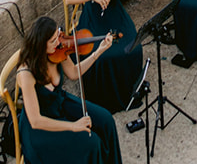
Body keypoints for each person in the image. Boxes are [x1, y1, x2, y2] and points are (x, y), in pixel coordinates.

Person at [15, 14, 122, 164]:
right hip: (41, 128)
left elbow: (73, 73)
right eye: (53, 41)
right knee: (91, 143)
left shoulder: (57, 51)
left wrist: (98, 52)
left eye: (58, 35)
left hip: (60, 103)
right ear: (40, 45)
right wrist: (73, 126)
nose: (58, 42)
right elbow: (36, 121)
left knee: (106, 121)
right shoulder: (26, 73)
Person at [65, 0, 144, 113]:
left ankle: (127, 89)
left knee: (133, 46)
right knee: (101, 55)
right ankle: (104, 97)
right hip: (92, 16)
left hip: (115, 12)